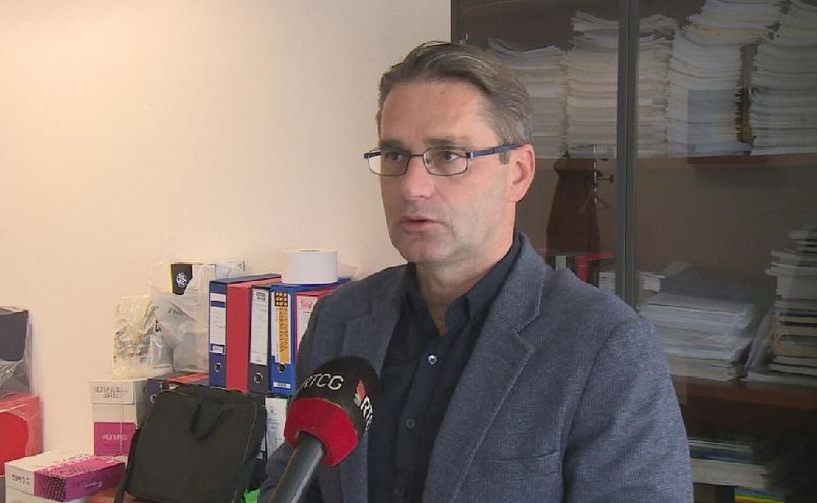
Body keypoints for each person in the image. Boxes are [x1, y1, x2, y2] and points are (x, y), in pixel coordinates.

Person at [259, 41, 692, 502]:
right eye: (395, 156)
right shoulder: (340, 319)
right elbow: (293, 484)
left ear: (518, 172)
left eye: (449, 155)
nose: (412, 187)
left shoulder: (605, 346)